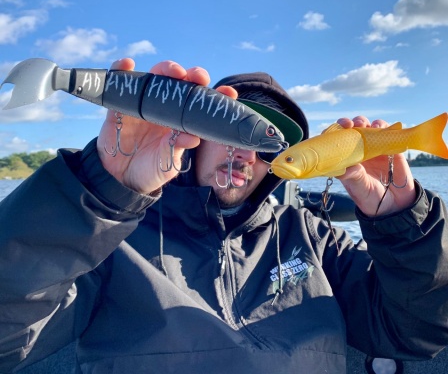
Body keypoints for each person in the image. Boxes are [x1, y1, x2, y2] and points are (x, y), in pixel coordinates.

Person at [1, 58, 448, 374]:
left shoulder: (314, 239)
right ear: (193, 135)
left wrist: (405, 222)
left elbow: (417, 333)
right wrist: (97, 191)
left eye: (264, 143)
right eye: (230, 128)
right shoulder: (110, 240)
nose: (244, 152)